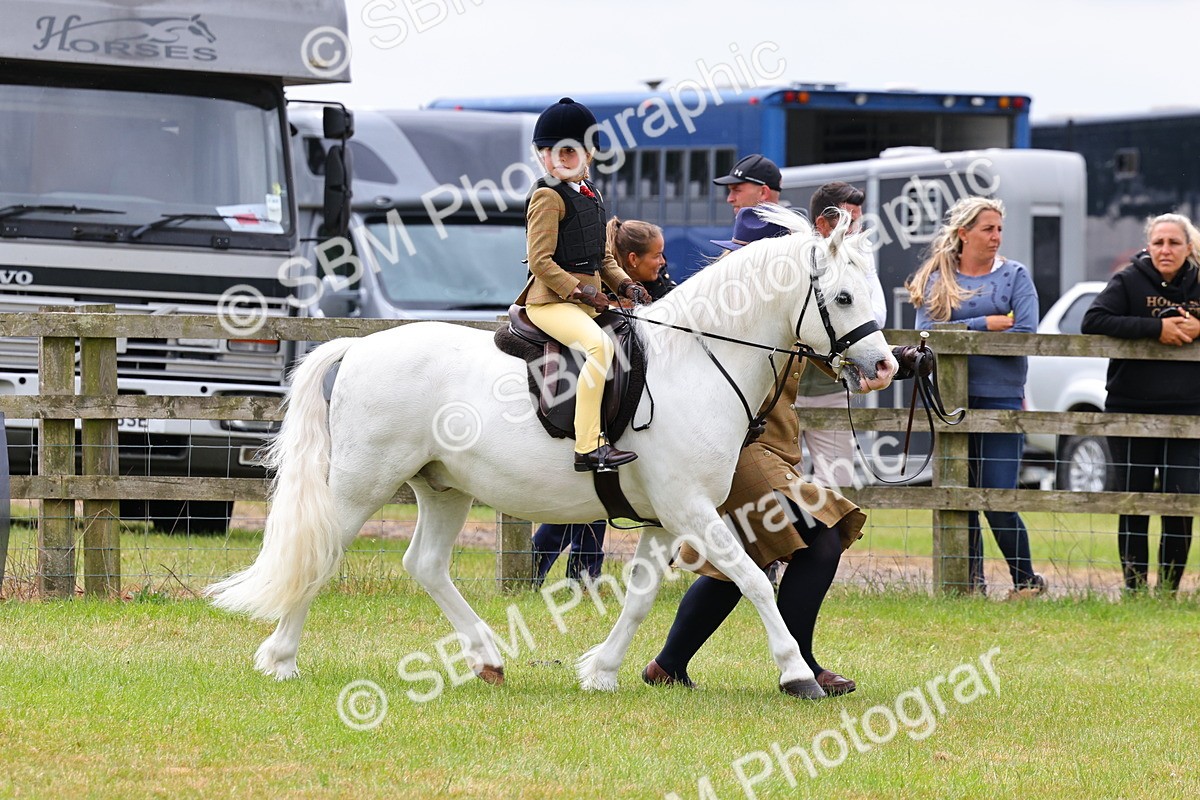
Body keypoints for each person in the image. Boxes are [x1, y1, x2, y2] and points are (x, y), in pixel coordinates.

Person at [642, 205, 868, 697]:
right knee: (822, 535)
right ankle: (802, 666)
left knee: (739, 556)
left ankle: (667, 665)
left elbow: (842, 355)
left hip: (770, 452)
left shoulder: (788, 315)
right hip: (739, 449)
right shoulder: (720, 312)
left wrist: (897, 361)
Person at [905, 196, 1046, 598]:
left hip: (1002, 398)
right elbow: (926, 335)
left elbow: (1025, 334)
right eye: (988, 228)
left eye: (1000, 229)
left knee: (998, 497)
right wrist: (984, 324)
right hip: (950, 401)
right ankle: (970, 584)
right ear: (964, 233)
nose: (996, 236)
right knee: (959, 497)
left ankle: (1026, 582)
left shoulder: (1016, 276)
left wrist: (960, 331)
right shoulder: (938, 279)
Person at [517, 97, 652, 472]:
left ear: (588, 154)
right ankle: (588, 446)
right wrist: (580, 291)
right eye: (547, 152)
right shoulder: (547, 196)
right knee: (598, 348)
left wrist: (626, 286)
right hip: (551, 303)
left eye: (566, 151)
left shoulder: (592, 195)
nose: (555, 159)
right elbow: (541, 261)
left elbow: (603, 258)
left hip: (585, 303)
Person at [1080, 213, 1200, 594]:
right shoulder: (1128, 280)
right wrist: (1156, 328)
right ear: (1149, 246)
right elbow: (1094, 320)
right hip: (1131, 407)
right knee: (1133, 500)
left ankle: (1166, 590)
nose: (1166, 250)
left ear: (1189, 247)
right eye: (1159, 243)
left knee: (1179, 503)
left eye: (1174, 243)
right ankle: (1134, 588)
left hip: (1189, 412)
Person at [793, 182, 888, 489]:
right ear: (822, 223)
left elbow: (878, 315)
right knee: (780, 483)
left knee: (836, 484)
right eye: (848, 220)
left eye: (858, 219)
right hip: (784, 391)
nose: (856, 228)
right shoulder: (796, 257)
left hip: (830, 388)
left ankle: (824, 539)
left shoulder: (860, 258)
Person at [606, 217, 675, 300]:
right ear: (633, 259)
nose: (663, 261)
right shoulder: (598, 300)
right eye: (657, 255)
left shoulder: (669, 292)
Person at [713, 153, 782, 212]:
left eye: (737, 190)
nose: (729, 199)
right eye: (730, 191)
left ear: (763, 193)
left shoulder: (785, 227)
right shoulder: (786, 225)